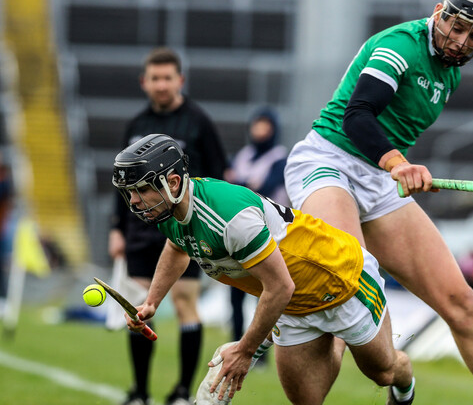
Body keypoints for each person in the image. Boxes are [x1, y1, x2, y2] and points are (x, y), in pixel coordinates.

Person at [283, 0, 473, 404]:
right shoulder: (400, 45)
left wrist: (395, 168)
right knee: (348, 282)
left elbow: (392, 133)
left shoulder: (451, 72)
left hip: (380, 181)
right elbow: (357, 116)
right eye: (457, 27)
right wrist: (399, 163)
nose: (461, 42)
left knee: (462, 303)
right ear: (439, 11)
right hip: (328, 162)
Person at [113, 134, 416, 405]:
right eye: (130, 193)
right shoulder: (170, 210)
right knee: (306, 400)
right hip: (291, 302)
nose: (135, 202)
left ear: (173, 182)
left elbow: (280, 287)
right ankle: (334, 336)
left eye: (141, 190)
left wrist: (246, 350)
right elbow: (178, 247)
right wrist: (152, 301)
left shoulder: (231, 218)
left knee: (383, 372)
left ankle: (405, 387)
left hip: (341, 281)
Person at [108, 48, 228, 405]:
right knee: (138, 306)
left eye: (167, 78)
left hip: (184, 227)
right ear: (144, 82)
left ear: (180, 80)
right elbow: (121, 183)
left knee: (184, 302)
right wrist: (117, 228)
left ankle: (181, 392)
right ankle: (140, 392)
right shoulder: (136, 125)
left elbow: (218, 176)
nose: (161, 85)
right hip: (139, 232)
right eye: (155, 78)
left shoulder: (199, 122)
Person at [224, 107, 289, 348]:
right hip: (237, 231)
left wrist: (239, 183)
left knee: (265, 293)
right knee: (236, 292)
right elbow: (227, 184)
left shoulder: (279, 158)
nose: (260, 131)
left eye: (265, 125)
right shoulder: (244, 155)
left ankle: (260, 349)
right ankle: (235, 342)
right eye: (257, 125)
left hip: (267, 233)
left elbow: (264, 188)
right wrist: (247, 184)